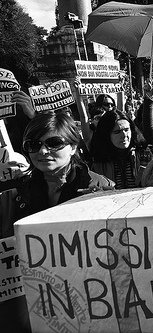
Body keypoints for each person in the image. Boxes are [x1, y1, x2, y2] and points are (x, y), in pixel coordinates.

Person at [0, 112, 114, 333]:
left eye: (54, 143)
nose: (43, 151)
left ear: (73, 146)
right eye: (33, 144)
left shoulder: (102, 190)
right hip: (32, 308)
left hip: (87, 303)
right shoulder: (13, 195)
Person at [89, 110, 151, 189]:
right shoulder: (99, 162)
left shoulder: (143, 153)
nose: (124, 135)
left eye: (126, 130)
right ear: (106, 135)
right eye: (117, 132)